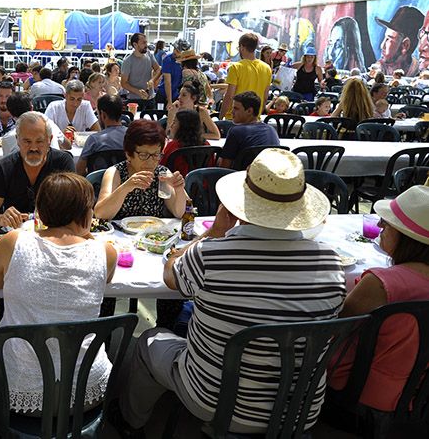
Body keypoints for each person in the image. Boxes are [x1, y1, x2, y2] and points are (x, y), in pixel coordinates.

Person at [113, 149, 344, 436]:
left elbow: (171, 276)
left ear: (239, 206)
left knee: (150, 338)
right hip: (299, 409)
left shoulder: (212, 255)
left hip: (214, 400)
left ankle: (130, 422)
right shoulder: (332, 263)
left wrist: (211, 234)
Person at [0, 173, 117, 413]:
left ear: (40, 211)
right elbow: (103, 278)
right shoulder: (106, 252)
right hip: (84, 390)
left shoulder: (15, 242)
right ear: (85, 213)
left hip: (15, 386)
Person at [327, 185, 429, 414]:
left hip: (363, 389)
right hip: (418, 391)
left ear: (408, 238)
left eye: (389, 223)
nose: (380, 225)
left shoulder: (381, 282)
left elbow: (334, 332)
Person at [0, 112, 75, 229]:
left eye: (39, 141)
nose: (33, 148)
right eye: (27, 141)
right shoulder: (5, 167)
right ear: (17, 140)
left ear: (50, 140)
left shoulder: (63, 163)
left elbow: (75, 206)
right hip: (14, 235)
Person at [94, 120, 187, 221]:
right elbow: (100, 214)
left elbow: (180, 213)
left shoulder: (162, 173)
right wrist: (125, 187)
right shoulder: (115, 172)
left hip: (153, 233)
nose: (151, 162)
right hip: (120, 234)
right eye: (143, 155)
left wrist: (179, 189)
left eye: (156, 155)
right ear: (128, 154)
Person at [217, 91, 280, 169]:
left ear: (249, 111)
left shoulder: (236, 132)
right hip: (269, 177)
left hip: (241, 178)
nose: (232, 112)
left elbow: (224, 167)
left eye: (236, 109)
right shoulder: (271, 129)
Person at [220, 33, 273, 120]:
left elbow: (229, 96)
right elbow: (265, 96)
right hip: (255, 119)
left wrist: (221, 117)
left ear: (242, 47)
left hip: (235, 118)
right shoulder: (267, 68)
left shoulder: (235, 67)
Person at [0, 92, 70, 155]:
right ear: (32, 108)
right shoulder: (48, 123)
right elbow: (67, 145)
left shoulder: (8, 139)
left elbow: (8, 166)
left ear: (10, 113)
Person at [77, 94, 126, 175]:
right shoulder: (132, 137)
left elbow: (80, 171)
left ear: (103, 115)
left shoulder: (93, 140)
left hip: (98, 186)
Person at [160, 109, 214, 176]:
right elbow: (211, 168)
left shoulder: (173, 146)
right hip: (202, 184)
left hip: (176, 183)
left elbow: (162, 168)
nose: (171, 125)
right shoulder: (206, 145)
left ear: (183, 126)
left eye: (174, 122)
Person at [376, 5, 423, 76]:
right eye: (385, 38)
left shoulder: (419, 73)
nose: (382, 46)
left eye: (389, 39)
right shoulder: (378, 69)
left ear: (405, 45)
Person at [121, 33, 160, 103]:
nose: (146, 45)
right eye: (143, 43)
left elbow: (158, 69)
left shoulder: (149, 55)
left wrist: (153, 80)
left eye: (146, 42)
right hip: (134, 100)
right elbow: (123, 83)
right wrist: (138, 92)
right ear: (135, 45)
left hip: (150, 98)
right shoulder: (127, 61)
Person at [157, 40, 187, 106]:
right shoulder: (168, 59)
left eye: (178, 51)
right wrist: (169, 101)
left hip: (176, 94)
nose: (174, 52)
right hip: (163, 93)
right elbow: (167, 82)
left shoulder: (185, 62)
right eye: (174, 49)